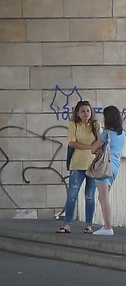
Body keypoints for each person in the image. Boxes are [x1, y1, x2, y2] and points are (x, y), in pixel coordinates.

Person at [58, 100, 102, 234]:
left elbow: (101, 143)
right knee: (72, 194)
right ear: (78, 113)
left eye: (88, 111)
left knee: (90, 195)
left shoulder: (96, 125)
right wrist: (89, 147)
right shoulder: (73, 125)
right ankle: (67, 224)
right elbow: (72, 143)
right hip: (77, 164)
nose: (86, 113)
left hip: (93, 164)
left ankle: (89, 225)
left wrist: (98, 130)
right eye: (83, 111)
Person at [92, 105, 125, 236]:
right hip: (115, 166)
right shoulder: (123, 133)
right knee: (102, 197)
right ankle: (106, 225)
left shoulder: (107, 133)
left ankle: (107, 227)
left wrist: (98, 132)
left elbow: (93, 149)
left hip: (105, 167)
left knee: (104, 197)